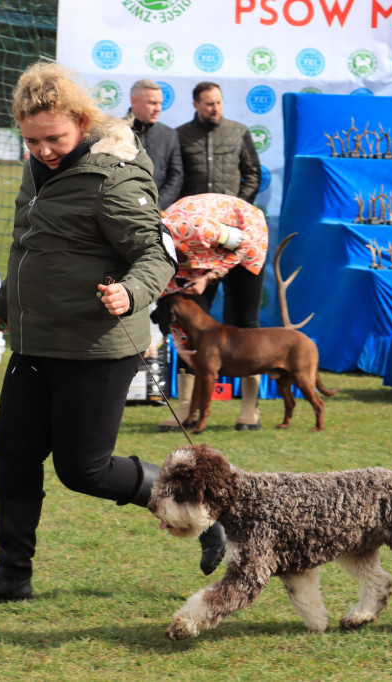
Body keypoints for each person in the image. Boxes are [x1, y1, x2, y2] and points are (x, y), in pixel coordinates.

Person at [0, 61, 225, 606]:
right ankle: (11, 575)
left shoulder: (114, 175)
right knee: (14, 453)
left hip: (97, 344)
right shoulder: (36, 167)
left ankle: (204, 509)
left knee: (84, 470)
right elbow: (33, 243)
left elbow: (158, 253)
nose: (44, 150)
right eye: (32, 140)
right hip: (34, 339)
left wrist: (131, 293)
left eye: (55, 138)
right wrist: (5, 301)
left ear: (80, 120)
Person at [172, 82, 264, 430]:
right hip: (197, 243)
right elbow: (176, 178)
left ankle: (249, 410)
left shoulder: (239, 132)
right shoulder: (180, 136)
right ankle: (185, 409)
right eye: (209, 103)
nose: (215, 108)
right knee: (189, 325)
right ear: (195, 104)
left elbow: (253, 174)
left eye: (219, 102)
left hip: (241, 238)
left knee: (246, 323)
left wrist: (237, 207)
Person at [128, 79, 183, 210]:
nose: (158, 108)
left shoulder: (169, 135)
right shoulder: (115, 131)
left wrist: (158, 205)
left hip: (158, 212)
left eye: (160, 103)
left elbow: (176, 175)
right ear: (134, 101)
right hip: (124, 208)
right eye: (152, 103)